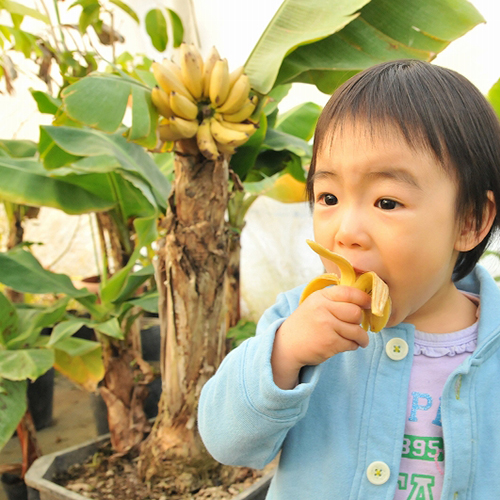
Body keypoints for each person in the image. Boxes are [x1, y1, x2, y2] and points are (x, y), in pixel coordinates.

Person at [197, 59, 500, 499]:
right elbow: (227, 443)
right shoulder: (296, 323)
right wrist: (283, 355)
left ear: (470, 221)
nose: (346, 232)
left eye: (387, 202)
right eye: (329, 197)